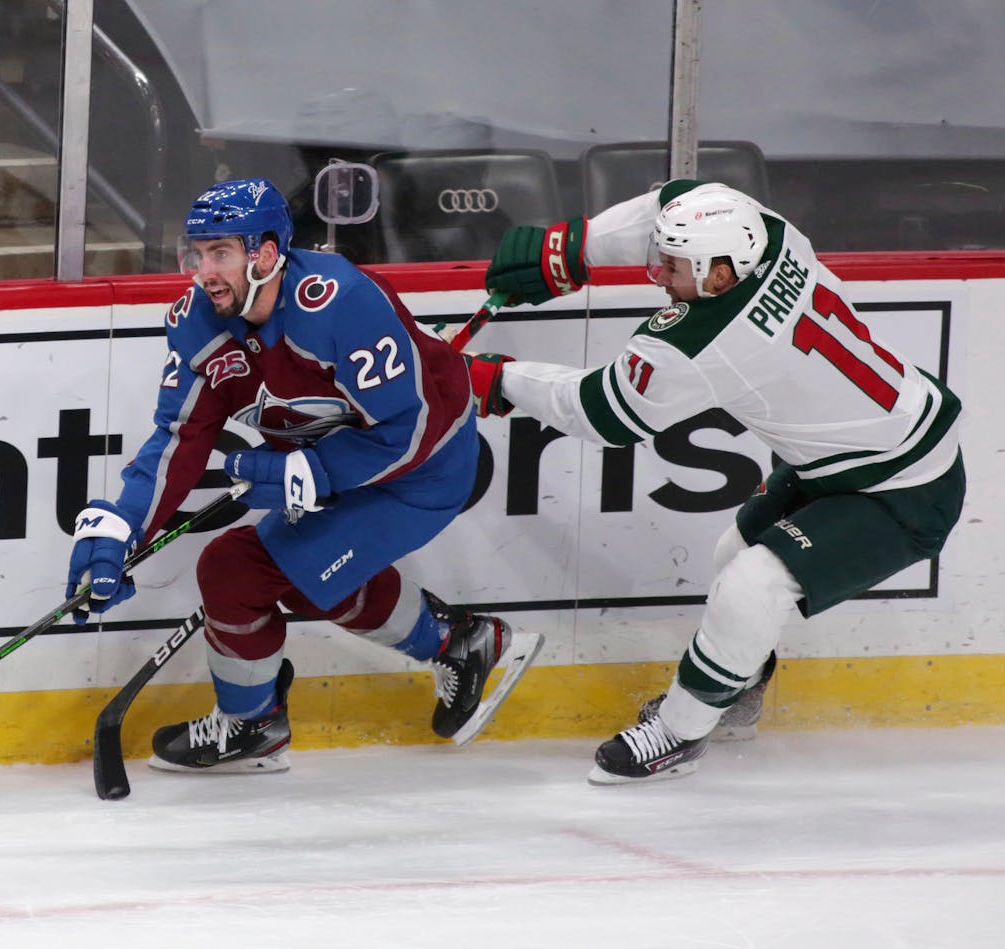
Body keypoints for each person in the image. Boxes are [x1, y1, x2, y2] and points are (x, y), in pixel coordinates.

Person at [468, 179, 966, 785]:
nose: (659, 276)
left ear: (722, 275)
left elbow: (601, 413)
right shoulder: (773, 237)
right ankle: (734, 693)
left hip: (905, 489)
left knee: (751, 585)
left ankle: (679, 732)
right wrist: (577, 248)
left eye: (674, 268)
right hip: (855, 454)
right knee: (733, 552)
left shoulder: (704, 343)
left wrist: (500, 379)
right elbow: (673, 198)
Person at [65, 177, 543, 774]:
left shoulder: (338, 302)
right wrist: (120, 529)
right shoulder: (198, 320)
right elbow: (178, 439)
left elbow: (411, 430)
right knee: (272, 572)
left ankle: (257, 722)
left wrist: (310, 470)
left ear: (266, 254)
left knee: (245, 570)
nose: (203, 271)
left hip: (424, 469)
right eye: (196, 253)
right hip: (343, 463)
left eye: (221, 253)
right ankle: (457, 641)